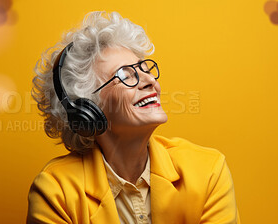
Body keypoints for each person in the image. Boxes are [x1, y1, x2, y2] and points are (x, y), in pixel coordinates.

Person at [27, 11, 240, 224]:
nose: (149, 81)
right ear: (88, 109)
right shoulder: (56, 192)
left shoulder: (207, 171)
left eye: (144, 69)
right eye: (125, 75)